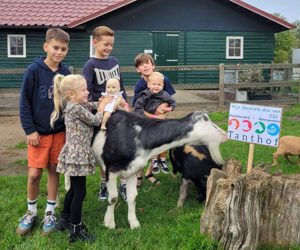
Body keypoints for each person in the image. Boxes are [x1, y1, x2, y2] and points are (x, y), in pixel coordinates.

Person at [17, 28, 70, 236]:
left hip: (59, 132)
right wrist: (29, 129)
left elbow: (71, 100)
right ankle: (31, 211)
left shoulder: (66, 72)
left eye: (64, 49)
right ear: (46, 46)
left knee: (54, 170)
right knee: (34, 173)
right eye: (56, 47)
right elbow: (24, 103)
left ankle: (50, 211)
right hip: (38, 133)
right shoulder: (34, 70)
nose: (59, 52)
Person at [50, 74, 111, 243]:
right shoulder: (75, 108)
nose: (87, 92)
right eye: (83, 90)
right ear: (71, 94)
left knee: (73, 190)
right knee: (80, 192)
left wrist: (104, 102)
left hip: (75, 153)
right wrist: (102, 109)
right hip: (77, 155)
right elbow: (94, 120)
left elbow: (89, 104)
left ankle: (64, 218)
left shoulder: (75, 104)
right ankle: (75, 228)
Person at [82, 25, 129, 202]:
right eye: (105, 44)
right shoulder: (90, 65)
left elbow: (121, 86)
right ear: (95, 42)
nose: (108, 48)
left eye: (111, 44)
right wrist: (99, 106)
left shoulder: (114, 62)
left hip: (118, 114)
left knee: (122, 149)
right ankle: (105, 184)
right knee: (103, 152)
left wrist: (125, 103)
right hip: (102, 114)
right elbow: (86, 90)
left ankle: (123, 185)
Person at [133, 53, 176, 186]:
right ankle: (138, 176)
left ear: (153, 65)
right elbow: (137, 108)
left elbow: (169, 98)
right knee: (143, 148)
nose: (145, 65)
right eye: (141, 64)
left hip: (161, 117)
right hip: (145, 119)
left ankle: (149, 172)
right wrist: (155, 115)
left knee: (159, 144)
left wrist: (164, 108)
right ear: (137, 69)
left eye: (148, 62)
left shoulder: (163, 78)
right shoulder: (140, 86)